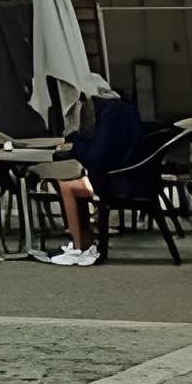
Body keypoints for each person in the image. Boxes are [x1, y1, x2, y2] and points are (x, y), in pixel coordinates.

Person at [43, 85, 145, 266]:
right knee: (76, 182)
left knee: (67, 185)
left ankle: (78, 245)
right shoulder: (126, 110)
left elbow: (97, 155)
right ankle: (84, 241)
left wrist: (76, 142)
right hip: (137, 177)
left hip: (117, 182)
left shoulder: (108, 114)